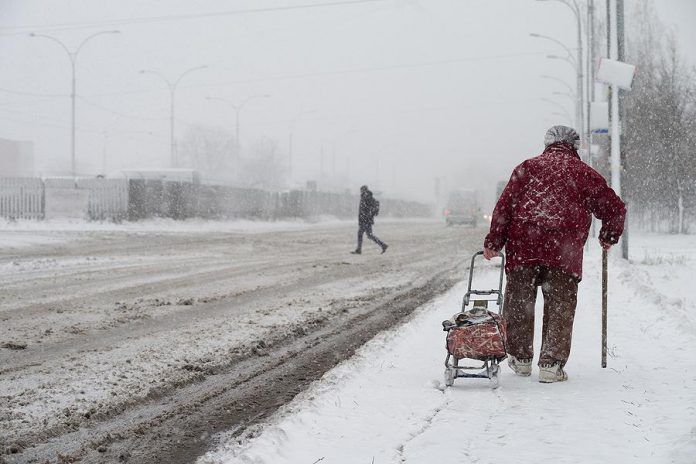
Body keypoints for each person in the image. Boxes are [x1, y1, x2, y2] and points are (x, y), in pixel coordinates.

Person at [483, 125, 625, 383]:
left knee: (519, 302)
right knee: (560, 305)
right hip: (564, 251)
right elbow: (614, 208)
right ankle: (551, 364)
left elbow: (504, 207)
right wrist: (609, 236)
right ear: (575, 146)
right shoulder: (583, 173)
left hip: (523, 247)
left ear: (547, 143)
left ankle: (520, 358)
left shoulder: (526, 168)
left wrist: (494, 241)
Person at [352, 185, 388, 255]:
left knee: (363, 234)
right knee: (369, 235)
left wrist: (368, 215)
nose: (361, 191)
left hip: (365, 220)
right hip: (365, 220)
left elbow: (372, 207)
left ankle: (359, 249)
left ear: (364, 190)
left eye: (361, 190)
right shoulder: (365, 197)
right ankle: (383, 245)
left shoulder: (367, 197)